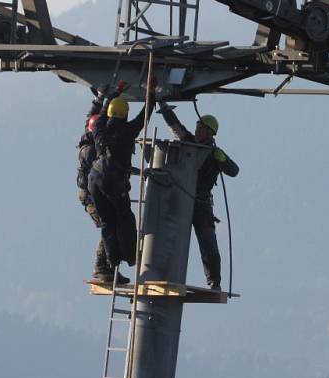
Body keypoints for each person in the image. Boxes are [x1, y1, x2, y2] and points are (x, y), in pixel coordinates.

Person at [157, 102, 239, 290]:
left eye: (200, 127)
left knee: (208, 244)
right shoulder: (190, 142)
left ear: (209, 133)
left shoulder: (214, 154)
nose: (197, 129)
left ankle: (214, 282)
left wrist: (224, 160)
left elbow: (234, 171)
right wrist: (164, 107)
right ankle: (163, 273)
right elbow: (176, 127)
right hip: (184, 199)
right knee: (170, 238)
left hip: (200, 203)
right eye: (197, 127)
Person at [88, 79, 156, 284]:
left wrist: (114, 93)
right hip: (113, 182)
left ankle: (114, 264)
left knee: (108, 224)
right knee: (125, 220)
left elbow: (99, 116)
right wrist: (151, 95)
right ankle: (129, 256)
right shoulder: (128, 132)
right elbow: (144, 117)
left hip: (95, 181)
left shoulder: (100, 128)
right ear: (124, 114)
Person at [77, 92, 112, 282]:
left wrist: (101, 100)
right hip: (90, 195)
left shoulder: (88, 139)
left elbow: (90, 118)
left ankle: (108, 266)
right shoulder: (92, 150)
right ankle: (101, 266)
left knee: (110, 225)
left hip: (89, 193)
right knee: (109, 225)